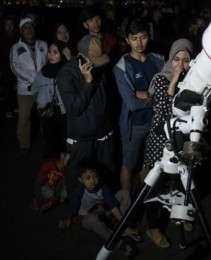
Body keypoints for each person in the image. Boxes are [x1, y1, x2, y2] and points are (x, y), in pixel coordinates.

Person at [56, 34, 118, 224]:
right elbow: (75, 108)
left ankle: (109, 207)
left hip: (104, 132)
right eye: (94, 61)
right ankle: (73, 214)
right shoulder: (66, 74)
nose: (98, 65)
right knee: (77, 175)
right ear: (80, 55)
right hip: (81, 136)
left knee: (106, 170)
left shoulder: (100, 67)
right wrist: (87, 82)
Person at [143, 38, 194, 248]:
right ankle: (152, 226)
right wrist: (173, 81)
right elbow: (164, 114)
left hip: (179, 142)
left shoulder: (192, 83)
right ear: (170, 59)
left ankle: (176, 213)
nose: (180, 65)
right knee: (155, 185)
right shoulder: (161, 79)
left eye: (186, 60)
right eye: (176, 59)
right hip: (159, 142)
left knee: (178, 182)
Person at [113, 17, 164, 210]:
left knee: (148, 164)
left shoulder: (157, 60)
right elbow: (132, 104)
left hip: (156, 122)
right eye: (134, 38)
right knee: (128, 164)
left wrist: (144, 94)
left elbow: (168, 90)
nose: (139, 42)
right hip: (134, 124)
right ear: (127, 40)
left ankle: (146, 201)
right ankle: (127, 208)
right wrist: (154, 97)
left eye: (143, 37)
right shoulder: (122, 66)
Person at [57, 157, 141, 257]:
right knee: (92, 219)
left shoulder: (102, 185)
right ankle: (119, 242)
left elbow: (112, 204)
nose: (92, 181)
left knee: (125, 193)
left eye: (95, 176)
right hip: (87, 216)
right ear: (80, 179)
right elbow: (73, 207)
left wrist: (125, 227)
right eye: (87, 178)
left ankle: (121, 227)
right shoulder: (78, 191)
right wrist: (68, 219)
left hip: (102, 210)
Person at [10, 17, 48, 154]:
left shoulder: (43, 44)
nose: (29, 29)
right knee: (24, 118)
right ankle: (24, 144)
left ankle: (48, 141)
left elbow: (48, 64)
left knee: (45, 116)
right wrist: (33, 79)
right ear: (21, 30)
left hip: (43, 88)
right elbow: (15, 68)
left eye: (31, 26)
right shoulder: (16, 48)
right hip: (25, 89)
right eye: (26, 27)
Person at [31, 40, 69, 159]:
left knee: (64, 141)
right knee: (50, 142)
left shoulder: (67, 72)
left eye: (55, 52)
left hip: (64, 113)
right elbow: (35, 90)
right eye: (49, 52)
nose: (51, 55)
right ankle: (51, 170)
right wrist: (42, 103)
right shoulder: (42, 73)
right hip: (48, 112)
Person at [0, 15, 19, 119]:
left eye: (11, 24)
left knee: (16, 88)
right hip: (4, 68)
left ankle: (15, 106)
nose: (9, 27)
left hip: (16, 68)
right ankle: (8, 109)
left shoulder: (17, 37)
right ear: (4, 26)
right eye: (7, 24)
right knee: (7, 89)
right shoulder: (0, 38)